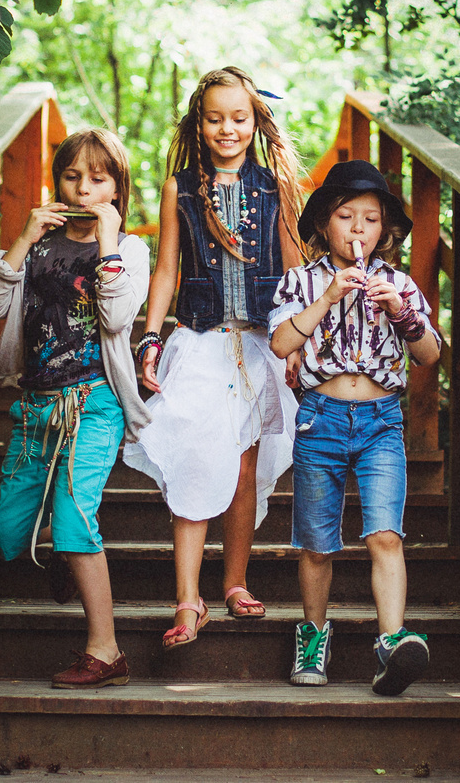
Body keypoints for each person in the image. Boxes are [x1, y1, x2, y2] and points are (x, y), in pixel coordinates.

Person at [123, 67, 305, 648]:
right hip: (199, 341)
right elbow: (167, 269)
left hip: (258, 344)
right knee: (195, 459)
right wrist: (150, 339)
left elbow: (297, 268)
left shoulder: (275, 187)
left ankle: (233, 581)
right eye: (214, 118)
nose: (227, 128)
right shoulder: (181, 187)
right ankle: (186, 598)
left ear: (256, 122)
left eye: (239, 117)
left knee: (246, 468)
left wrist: (306, 343)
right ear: (199, 124)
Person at [0, 128, 151, 690]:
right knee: (7, 532)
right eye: (72, 176)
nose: (83, 189)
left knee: (74, 522)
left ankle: (106, 651)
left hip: (95, 402)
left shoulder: (131, 249)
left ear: (119, 187)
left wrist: (110, 244)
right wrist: (22, 240)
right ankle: (66, 554)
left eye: (99, 179)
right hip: (35, 405)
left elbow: (119, 317)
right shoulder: (41, 243)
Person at [269, 159, 443, 696]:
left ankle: (391, 644)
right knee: (318, 544)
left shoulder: (400, 285)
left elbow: (430, 355)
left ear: (385, 231)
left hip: (381, 422)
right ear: (325, 223)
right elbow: (280, 344)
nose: (358, 230)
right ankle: (314, 635)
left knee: (385, 533)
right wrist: (328, 299)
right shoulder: (301, 281)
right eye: (347, 217)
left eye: (371, 220)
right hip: (320, 419)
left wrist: (403, 314)